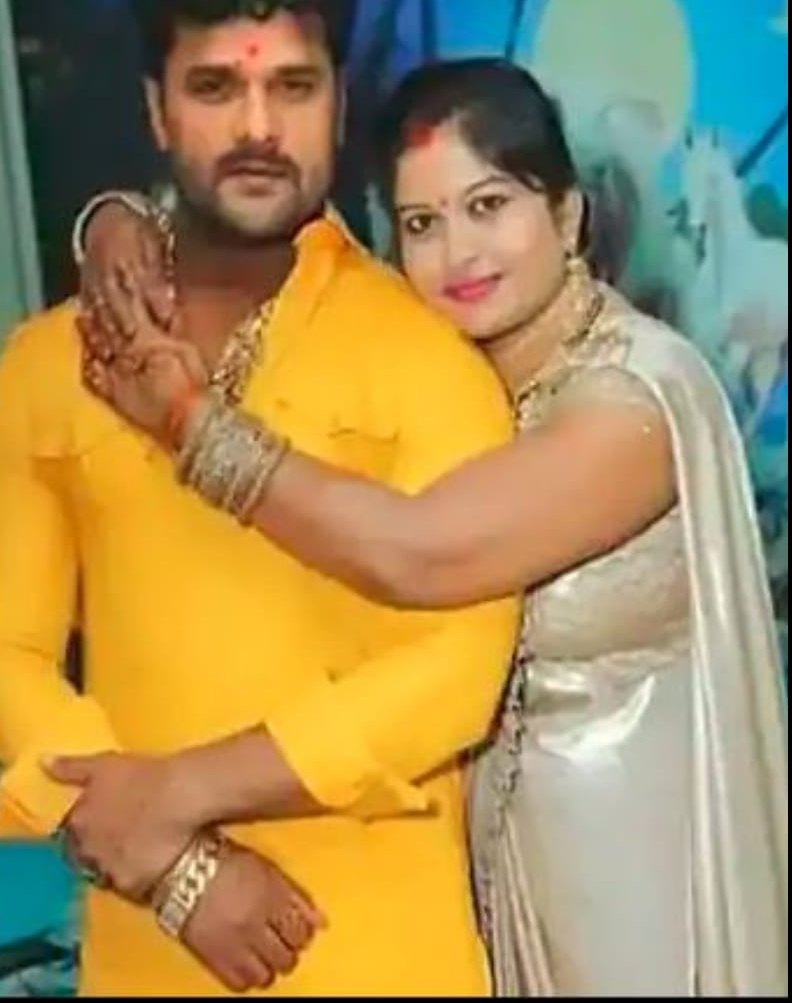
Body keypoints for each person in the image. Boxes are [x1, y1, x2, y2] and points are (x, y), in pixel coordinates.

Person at [74, 58, 787, 997]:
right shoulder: (444, 377)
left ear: (567, 214)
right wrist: (115, 221)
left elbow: (418, 552)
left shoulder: (634, 406)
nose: (460, 253)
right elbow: (283, 243)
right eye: (422, 223)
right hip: (480, 882)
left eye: (489, 206)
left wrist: (188, 422)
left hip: (636, 887)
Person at [0, 0, 523, 998]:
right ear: (155, 110)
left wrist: (177, 796)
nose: (257, 128)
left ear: (338, 106)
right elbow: (6, 650)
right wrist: (178, 871)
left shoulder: (432, 360)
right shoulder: (52, 364)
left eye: (292, 86)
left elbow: (459, 669)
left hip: (382, 955)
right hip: (149, 955)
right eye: (213, 88)